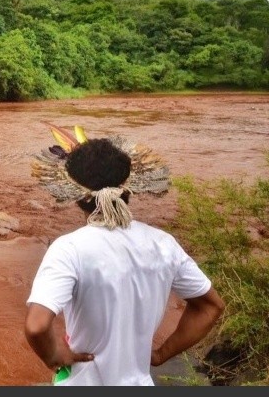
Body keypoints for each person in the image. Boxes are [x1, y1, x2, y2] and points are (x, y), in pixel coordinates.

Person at [24, 127, 225, 386]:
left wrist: (53, 354)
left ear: (75, 196)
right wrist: (162, 353)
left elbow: (37, 326)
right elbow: (211, 306)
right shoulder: (163, 244)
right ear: (128, 189)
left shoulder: (69, 249)